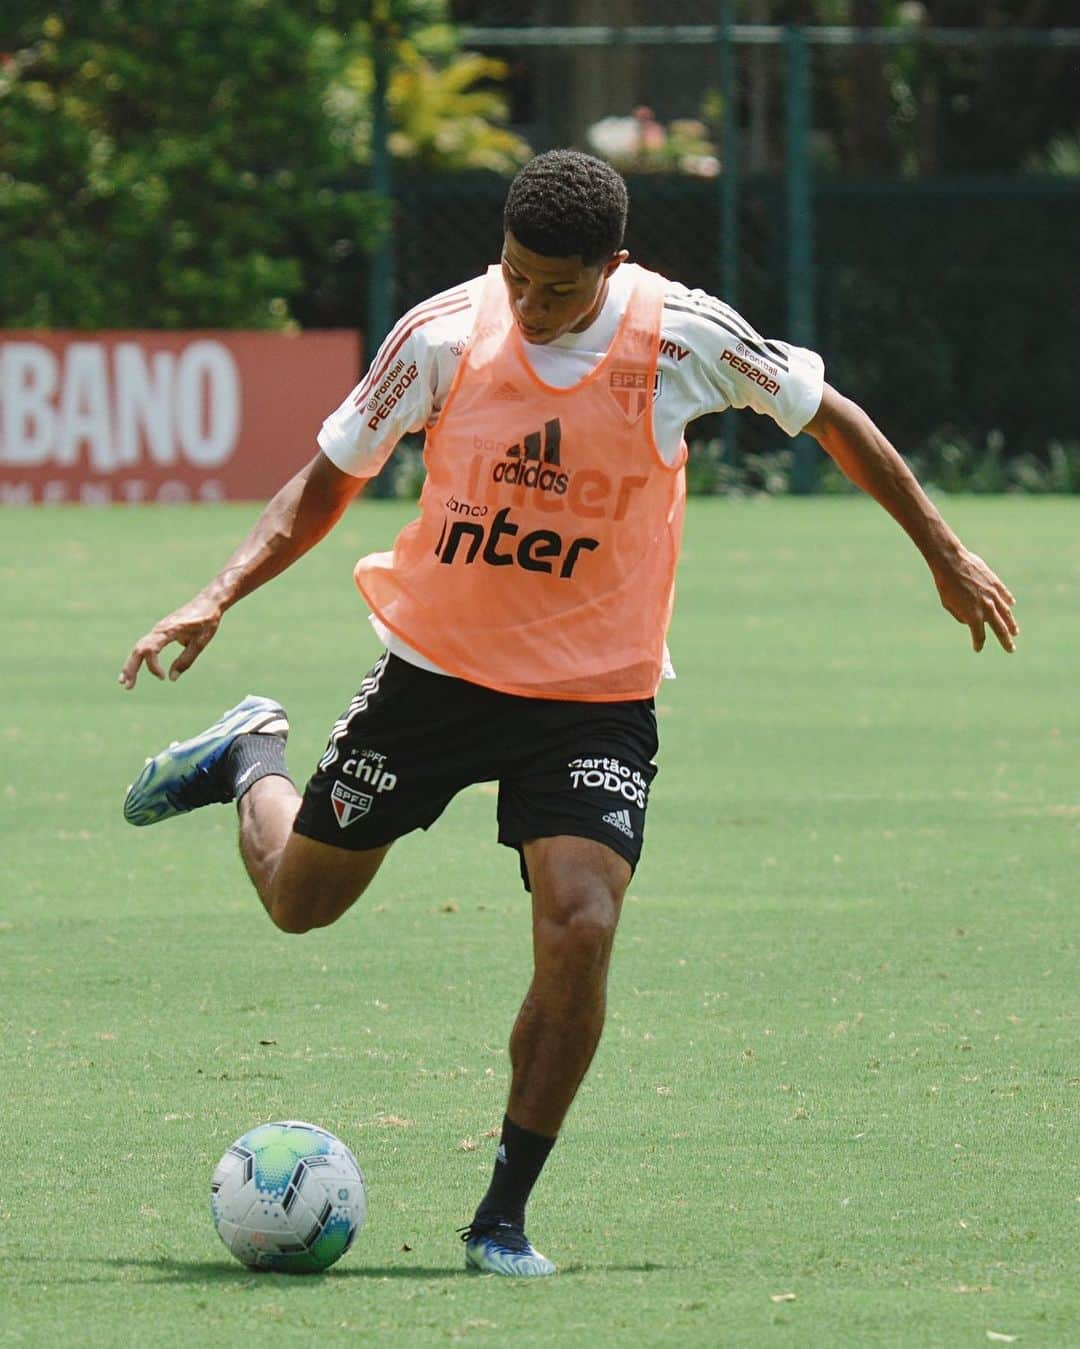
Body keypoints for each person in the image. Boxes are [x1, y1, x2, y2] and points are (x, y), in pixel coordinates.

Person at [119, 150, 1017, 1278]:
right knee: (301, 904)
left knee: (582, 921)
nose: (532, 307)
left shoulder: (684, 336)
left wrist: (947, 552)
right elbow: (328, 479)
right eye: (517, 278)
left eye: (559, 288)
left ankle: (501, 1214)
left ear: (616, 266)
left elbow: (830, 416)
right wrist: (215, 594)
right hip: (436, 673)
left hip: (595, 697)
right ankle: (252, 750)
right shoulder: (444, 335)